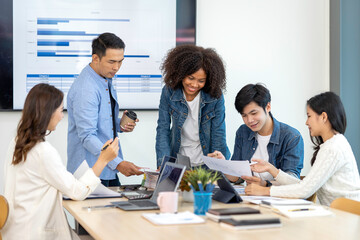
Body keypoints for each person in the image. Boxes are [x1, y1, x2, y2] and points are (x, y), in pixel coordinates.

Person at [2, 84, 119, 240]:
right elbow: (78, 192)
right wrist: (103, 160)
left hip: (15, 230)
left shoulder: (17, 142)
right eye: (60, 110)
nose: (62, 116)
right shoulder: (43, 151)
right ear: (48, 113)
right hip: (34, 233)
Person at [244, 92, 360, 206]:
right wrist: (272, 169)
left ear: (323, 117)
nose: (306, 122)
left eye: (309, 116)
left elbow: (304, 190)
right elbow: (305, 185)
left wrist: (265, 191)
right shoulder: (332, 144)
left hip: (347, 217)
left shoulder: (333, 147)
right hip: (338, 215)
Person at [67, 32, 143, 186]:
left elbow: (99, 120)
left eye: (120, 62)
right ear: (95, 58)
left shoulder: (104, 77)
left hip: (107, 169)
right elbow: (87, 135)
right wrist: (119, 163)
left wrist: (118, 123)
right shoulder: (86, 89)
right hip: (90, 171)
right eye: (111, 62)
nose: (116, 67)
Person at [209, 83, 304, 185]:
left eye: (254, 113)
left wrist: (264, 183)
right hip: (251, 196)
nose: (249, 120)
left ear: (268, 107)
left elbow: (293, 182)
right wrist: (223, 165)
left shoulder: (291, 137)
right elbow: (237, 177)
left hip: (278, 198)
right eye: (244, 115)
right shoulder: (243, 132)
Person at [156, 45, 230, 168]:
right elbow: (162, 129)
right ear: (181, 74)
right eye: (191, 78)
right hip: (179, 162)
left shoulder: (215, 96)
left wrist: (218, 167)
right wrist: (163, 163)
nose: (194, 84)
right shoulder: (169, 91)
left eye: (201, 81)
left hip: (207, 162)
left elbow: (219, 133)